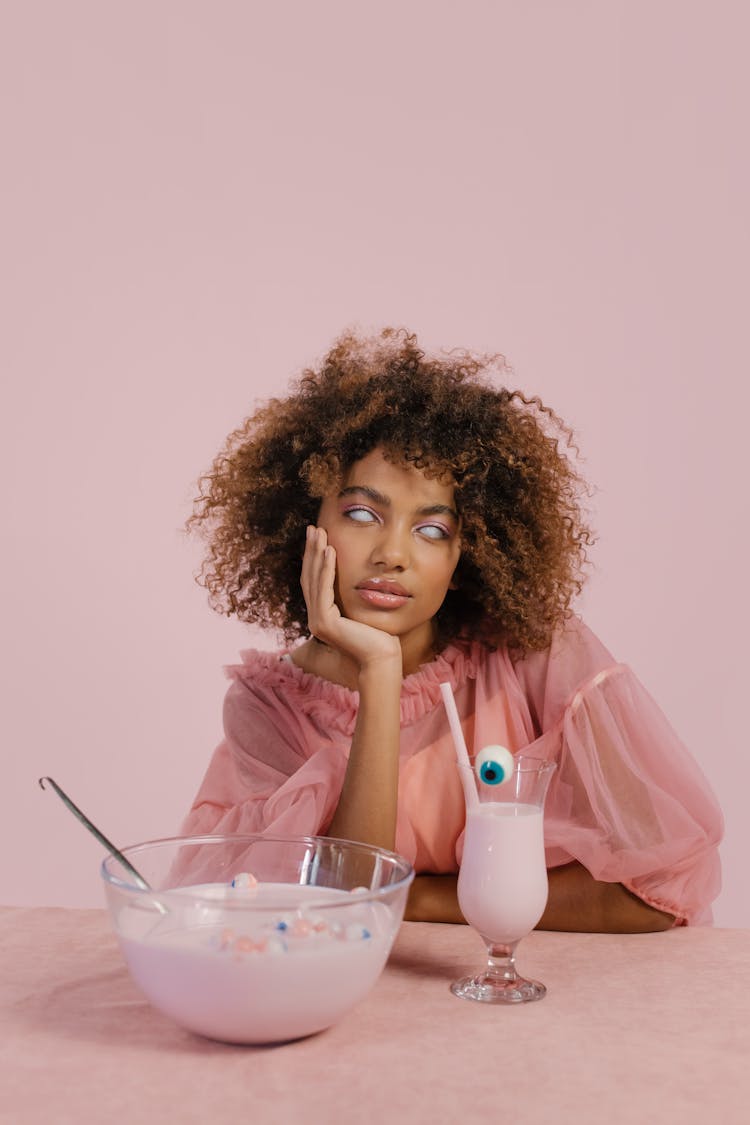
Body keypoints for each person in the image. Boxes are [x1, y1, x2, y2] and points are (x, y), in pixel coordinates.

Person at [182, 327, 723, 931]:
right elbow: (342, 912)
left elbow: (656, 893)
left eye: (431, 530)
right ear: (305, 526)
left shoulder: (535, 655)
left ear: (467, 555)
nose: (393, 554)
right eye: (362, 515)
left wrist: (418, 901)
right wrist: (381, 673)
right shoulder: (266, 707)